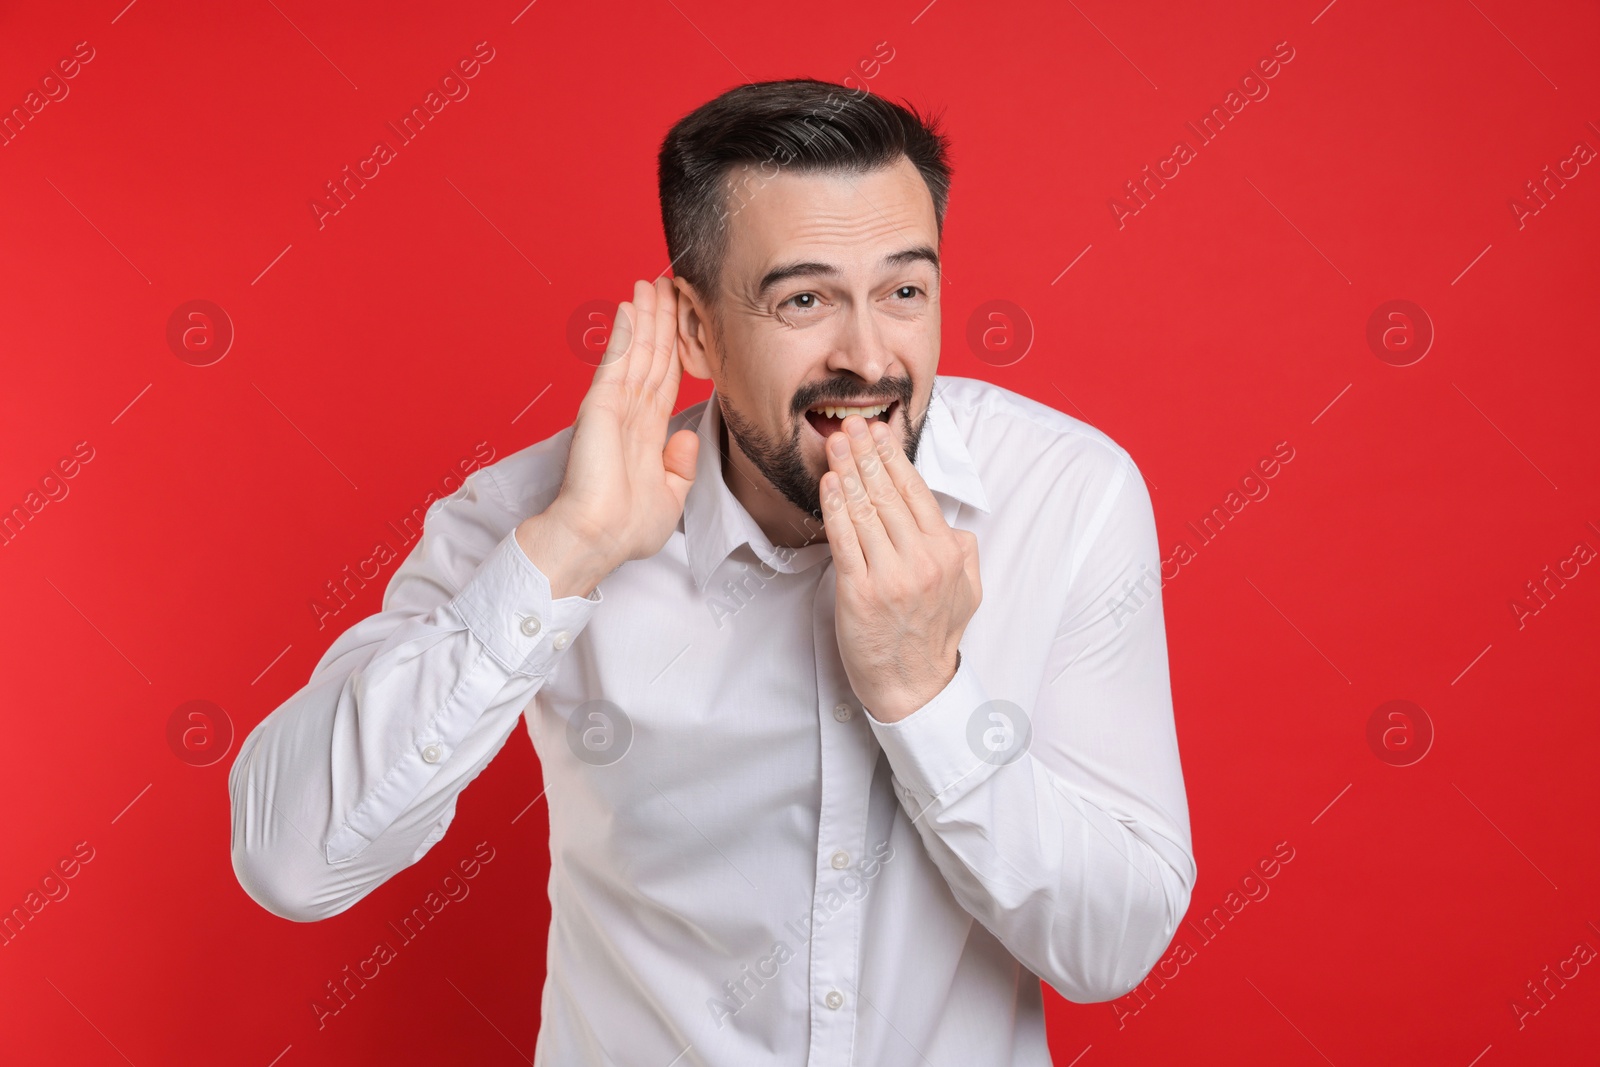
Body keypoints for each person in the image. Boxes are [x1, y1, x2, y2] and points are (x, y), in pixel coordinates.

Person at [228, 77, 1195, 1065]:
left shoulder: (1066, 497)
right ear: (694, 328)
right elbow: (291, 860)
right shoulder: (551, 509)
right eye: (805, 298)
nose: (868, 355)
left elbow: (1112, 944)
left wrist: (924, 694)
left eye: (904, 290)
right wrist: (567, 556)